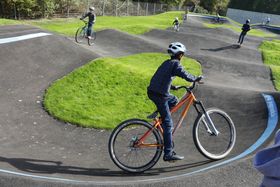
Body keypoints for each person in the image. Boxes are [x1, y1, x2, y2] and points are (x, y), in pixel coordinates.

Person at [147, 42, 202, 162]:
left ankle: (160, 117)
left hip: (154, 91)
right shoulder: (176, 64)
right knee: (168, 124)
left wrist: (172, 87)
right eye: (182, 55)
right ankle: (168, 153)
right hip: (160, 95)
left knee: (174, 100)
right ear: (180, 55)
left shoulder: (167, 63)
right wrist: (195, 78)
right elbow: (184, 74)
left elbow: (160, 78)